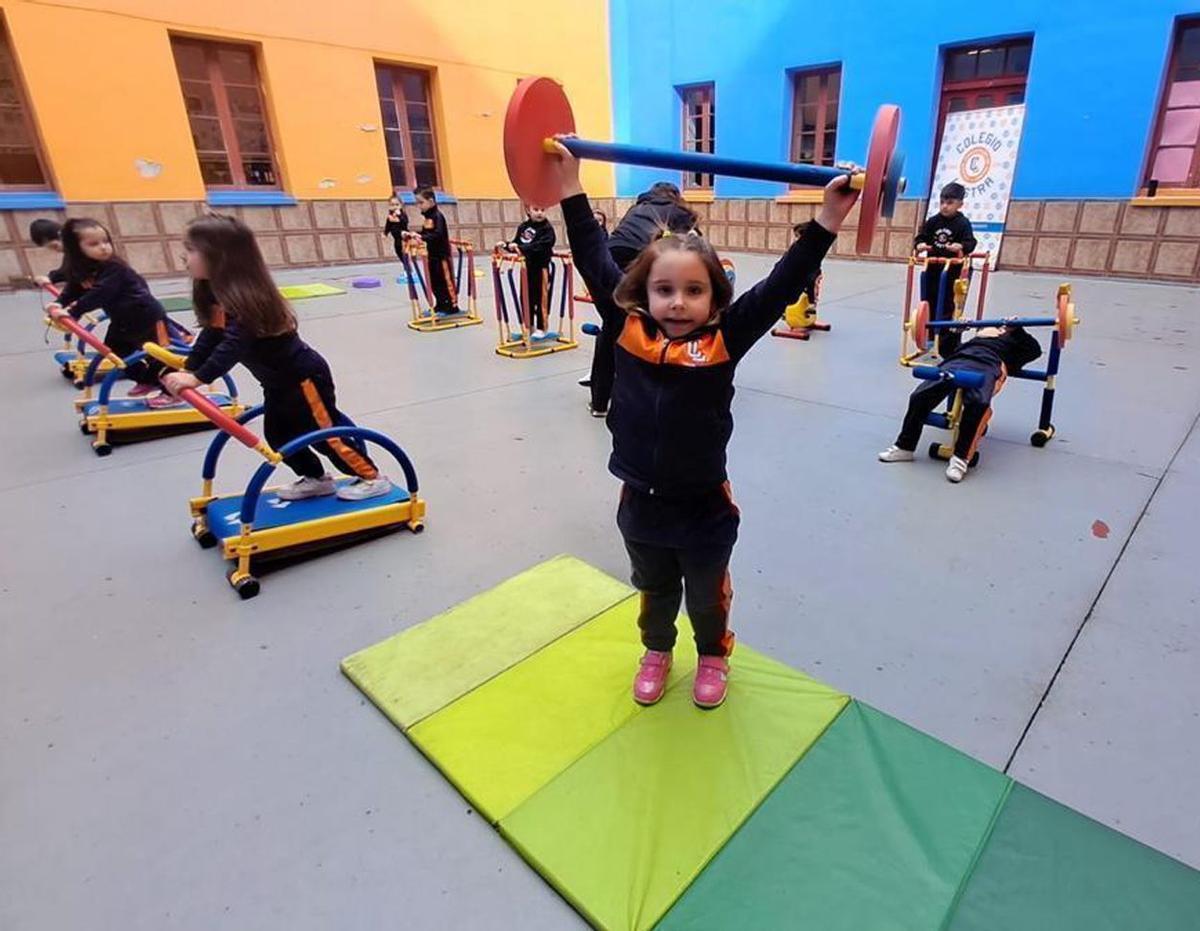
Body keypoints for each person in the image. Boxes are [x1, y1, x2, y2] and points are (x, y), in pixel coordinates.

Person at [550, 137, 858, 709]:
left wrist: (828, 218)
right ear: (642, 292)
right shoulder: (626, 328)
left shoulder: (724, 339)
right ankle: (657, 651)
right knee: (653, 588)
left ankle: (713, 655)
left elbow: (781, 285)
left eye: (693, 290)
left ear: (714, 297)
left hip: (703, 507)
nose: (676, 302)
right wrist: (570, 186)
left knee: (707, 596)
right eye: (664, 290)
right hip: (640, 500)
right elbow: (594, 257)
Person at [162, 215, 392, 502]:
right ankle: (316, 478)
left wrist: (198, 378)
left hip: (303, 378)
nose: (185, 256)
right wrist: (188, 368)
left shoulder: (247, 300)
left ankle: (372, 478)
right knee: (279, 436)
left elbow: (232, 345)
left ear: (220, 257)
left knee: (325, 433)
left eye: (192, 248)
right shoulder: (215, 295)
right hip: (276, 383)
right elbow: (211, 336)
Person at [586, 183, 701, 416]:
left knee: (611, 327)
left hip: (608, 262)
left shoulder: (636, 208)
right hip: (640, 262)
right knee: (650, 323)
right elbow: (694, 247)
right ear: (675, 197)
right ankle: (655, 392)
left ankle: (599, 402)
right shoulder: (681, 212)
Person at [878, 321, 1042, 482]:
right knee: (920, 395)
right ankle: (904, 447)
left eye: (997, 327)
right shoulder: (970, 343)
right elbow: (946, 350)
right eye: (985, 327)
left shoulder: (1010, 344)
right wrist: (955, 332)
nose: (989, 328)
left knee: (978, 403)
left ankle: (960, 460)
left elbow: (1034, 351)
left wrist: (1018, 329)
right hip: (955, 362)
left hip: (988, 365)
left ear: (1003, 332)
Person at [47, 218, 177, 406]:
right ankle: (147, 378)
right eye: (94, 244)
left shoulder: (114, 267)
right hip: (122, 319)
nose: (103, 247)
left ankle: (172, 392)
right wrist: (58, 304)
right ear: (75, 249)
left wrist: (73, 312)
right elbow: (72, 290)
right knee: (115, 353)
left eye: (105, 241)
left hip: (146, 315)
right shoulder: (82, 269)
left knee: (159, 354)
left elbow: (100, 293)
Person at [913, 181, 977, 356]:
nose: (944, 206)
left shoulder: (963, 223)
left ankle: (947, 340)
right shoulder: (933, 221)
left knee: (949, 304)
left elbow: (970, 243)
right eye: (942, 202)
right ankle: (929, 335)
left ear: (960, 204)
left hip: (952, 272)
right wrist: (920, 245)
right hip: (933, 268)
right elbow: (920, 238)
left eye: (949, 203)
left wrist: (960, 246)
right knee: (928, 301)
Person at [497, 204, 556, 337]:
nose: (540, 213)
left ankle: (542, 328)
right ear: (528, 210)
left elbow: (543, 245)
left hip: (541, 268)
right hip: (526, 269)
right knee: (526, 298)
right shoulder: (523, 227)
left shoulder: (547, 228)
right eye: (536, 209)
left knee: (541, 299)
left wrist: (522, 248)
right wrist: (506, 245)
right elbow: (517, 243)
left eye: (542, 209)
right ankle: (529, 326)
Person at [406, 187, 459, 315]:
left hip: (441, 256)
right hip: (431, 255)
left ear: (431, 201)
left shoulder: (437, 216)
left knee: (445, 281)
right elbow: (426, 233)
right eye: (417, 203)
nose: (419, 206)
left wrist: (422, 237)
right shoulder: (427, 218)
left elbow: (438, 234)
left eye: (421, 202)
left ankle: (452, 306)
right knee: (435, 282)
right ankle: (440, 304)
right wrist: (416, 235)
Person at [382, 196, 412, 281]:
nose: (395, 207)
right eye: (392, 205)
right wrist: (385, 233)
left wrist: (399, 217)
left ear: (401, 205)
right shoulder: (390, 216)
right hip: (396, 239)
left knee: (404, 254)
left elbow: (405, 223)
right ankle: (407, 268)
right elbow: (388, 225)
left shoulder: (403, 215)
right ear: (389, 206)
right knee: (398, 252)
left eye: (397, 204)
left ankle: (408, 270)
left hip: (403, 238)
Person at [29, 218, 66, 288]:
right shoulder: (70, 254)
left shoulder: (82, 247)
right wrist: (49, 278)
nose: (57, 250)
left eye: (55, 246)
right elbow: (67, 271)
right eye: (51, 248)